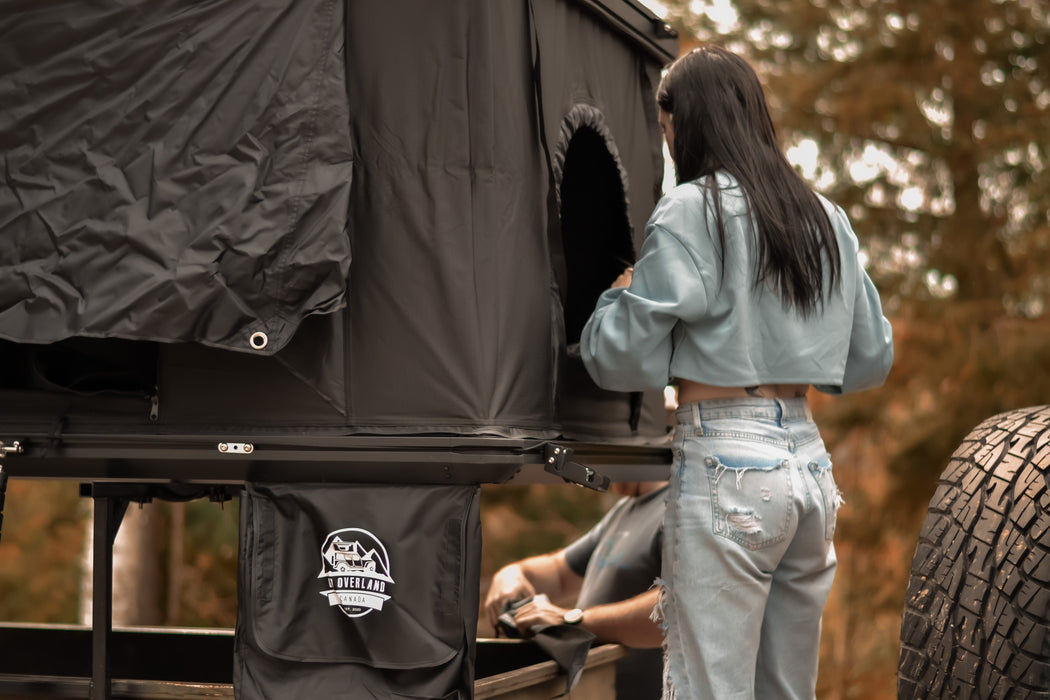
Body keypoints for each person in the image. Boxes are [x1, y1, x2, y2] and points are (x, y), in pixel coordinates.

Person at [579, 45, 894, 699]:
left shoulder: (693, 210)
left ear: (686, 124)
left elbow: (615, 357)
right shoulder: (825, 217)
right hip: (808, 468)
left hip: (727, 464)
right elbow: (870, 359)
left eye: (668, 133)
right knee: (786, 690)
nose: (670, 151)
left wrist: (622, 290)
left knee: (705, 688)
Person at [484, 481, 668, 700]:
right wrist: (510, 575)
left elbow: (683, 609)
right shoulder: (625, 510)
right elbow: (559, 574)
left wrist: (571, 621)